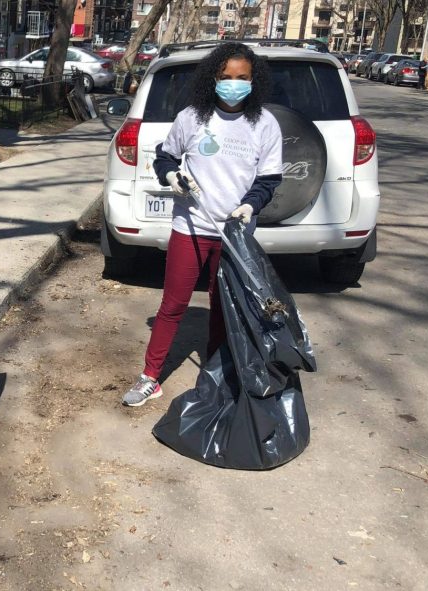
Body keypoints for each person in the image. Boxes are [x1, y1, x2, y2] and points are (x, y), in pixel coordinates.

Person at [122, 42, 283, 407]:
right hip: (191, 227)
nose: (233, 84)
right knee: (173, 303)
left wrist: (250, 204)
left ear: (253, 81)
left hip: (235, 233)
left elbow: (269, 179)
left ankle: (216, 377)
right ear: (213, 78)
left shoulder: (265, 124)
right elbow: (165, 157)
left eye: (242, 78)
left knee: (223, 308)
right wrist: (172, 177)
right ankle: (151, 376)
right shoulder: (192, 117)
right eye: (226, 77)